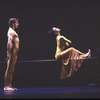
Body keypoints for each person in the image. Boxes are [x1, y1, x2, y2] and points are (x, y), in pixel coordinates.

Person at [4, 18, 19, 90]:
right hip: (12, 54)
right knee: (9, 69)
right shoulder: (11, 32)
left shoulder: (12, 31)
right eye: (17, 23)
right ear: (13, 24)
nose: (17, 24)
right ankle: (6, 86)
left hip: (14, 54)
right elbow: (9, 42)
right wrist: (8, 54)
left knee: (11, 70)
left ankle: (9, 85)